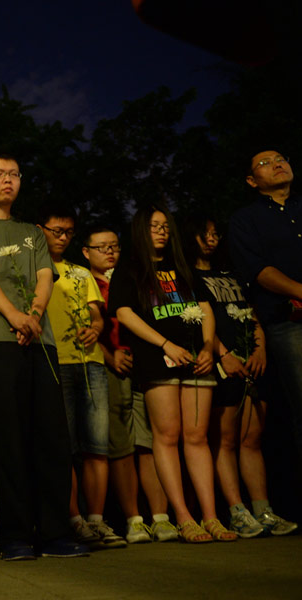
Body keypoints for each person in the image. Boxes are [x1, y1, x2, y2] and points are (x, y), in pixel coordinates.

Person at [0, 152, 86, 561]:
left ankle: (55, 531)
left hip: (40, 340)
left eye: (14, 174)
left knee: (52, 438)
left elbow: (45, 275)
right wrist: (13, 315)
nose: (7, 180)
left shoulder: (31, 232)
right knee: (7, 439)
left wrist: (35, 315)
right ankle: (14, 534)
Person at [109, 203, 235, 543]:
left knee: (197, 437)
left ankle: (211, 516)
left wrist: (207, 347)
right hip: (157, 358)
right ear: (140, 229)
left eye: (165, 226)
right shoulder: (130, 267)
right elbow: (124, 313)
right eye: (154, 226)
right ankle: (183, 517)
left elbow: (205, 308)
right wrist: (165, 344)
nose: (161, 231)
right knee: (167, 436)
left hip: (196, 358)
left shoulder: (182, 266)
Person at [184, 214, 297, 537]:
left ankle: (263, 510)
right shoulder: (189, 276)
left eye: (215, 234)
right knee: (225, 440)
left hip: (252, 362)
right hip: (224, 364)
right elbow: (202, 321)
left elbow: (252, 315)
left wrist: (260, 350)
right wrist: (223, 354)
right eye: (204, 234)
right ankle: (237, 511)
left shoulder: (232, 274)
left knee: (252, 439)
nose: (211, 239)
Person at [38, 204, 126, 550]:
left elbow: (97, 314)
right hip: (57, 361)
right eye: (56, 231)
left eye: (68, 232)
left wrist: (96, 328)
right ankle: (73, 518)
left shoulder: (80, 272)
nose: (62, 238)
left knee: (97, 447)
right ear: (41, 230)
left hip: (91, 363)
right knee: (66, 447)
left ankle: (97, 519)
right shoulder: (35, 269)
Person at [82, 226, 174, 543]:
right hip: (108, 366)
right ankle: (133, 519)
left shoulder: (135, 276)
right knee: (120, 446)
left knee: (149, 442)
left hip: (144, 365)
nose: (109, 252)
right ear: (86, 252)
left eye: (114, 246)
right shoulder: (84, 281)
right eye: (101, 247)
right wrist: (110, 356)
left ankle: (160, 517)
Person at [230, 149, 302, 469]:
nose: (276, 164)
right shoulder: (245, 220)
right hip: (289, 321)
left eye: (280, 158)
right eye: (264, 163)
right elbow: (258, 270)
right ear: (251, 181)